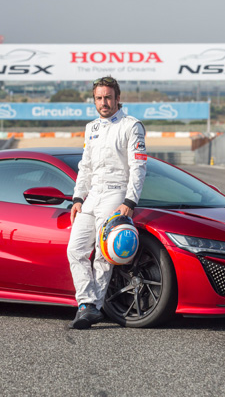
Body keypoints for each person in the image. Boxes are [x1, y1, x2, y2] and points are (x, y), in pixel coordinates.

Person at [66, 76, 147, 329]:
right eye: (99, 98)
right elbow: (85, 167)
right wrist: (78, 198)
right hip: (92, 196)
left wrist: (130, 201)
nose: (104, 102)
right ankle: (87, 304)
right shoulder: (91, 128)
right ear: (94, 100)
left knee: (103, 253)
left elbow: (138, 166)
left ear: (118, 98)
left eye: (108, 97)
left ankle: (91, 308)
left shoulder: (132, 126)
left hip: (115, 192)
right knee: (75, 250)